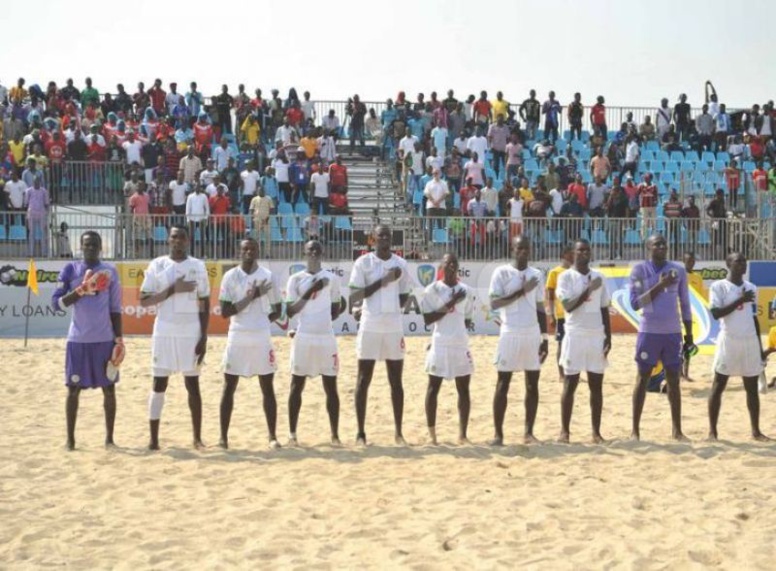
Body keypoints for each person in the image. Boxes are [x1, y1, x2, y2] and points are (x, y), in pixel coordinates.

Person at [140, 226, 210, 450]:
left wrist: (204, 337)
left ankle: (197, 438)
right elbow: (144, 300)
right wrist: (172, 290)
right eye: (174, 237)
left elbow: (205, 302)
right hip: (164, 331)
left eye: (181, 237)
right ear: (168, 240)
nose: (177, 241)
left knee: (193, 385)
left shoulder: (198, 266)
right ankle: (153, 439)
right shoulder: (157, 265)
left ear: (188, 240)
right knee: (159, 383)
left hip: (191, 332)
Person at [51, 232, 123, 450]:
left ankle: (109, 439)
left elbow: (115, 309)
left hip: (104, 340)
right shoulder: (70, 269)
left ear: (101, 247)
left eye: (94, 244)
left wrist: (119, 339)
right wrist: (82, 290)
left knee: (109, 390)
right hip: (78, 341)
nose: (90, 247)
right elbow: (57, 304)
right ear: (80, 247)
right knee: (73, 390)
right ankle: (70, 441)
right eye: (86, 244)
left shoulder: (110, 271)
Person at [349, 225, 414, 446]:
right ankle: (360, 433)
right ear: (372, 239)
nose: (384, 239)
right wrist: (383, 281)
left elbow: (404, 296)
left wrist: (392, 311)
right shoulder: (363, 263)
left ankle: (398, 432)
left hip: (393, 326)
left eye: (387, 236)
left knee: (396, 380)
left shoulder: (401, 264)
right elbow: (355, 294)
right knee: (363, 379)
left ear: (391, 239)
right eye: (380, 236)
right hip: (369, 324)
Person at [218, 238, 282, 449]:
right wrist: (252, 297)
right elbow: (225, 312)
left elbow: (277, 310)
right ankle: (223, 438)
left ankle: (272, 436)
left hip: (261, 336)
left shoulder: (268, 276)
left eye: (253, 248)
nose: (249, 252)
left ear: (258, 251)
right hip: (237, 334)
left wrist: (261, 321)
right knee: (229, 387)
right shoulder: (230, 276)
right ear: (240, 251)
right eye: (245, 248)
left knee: (267, 386)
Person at [629, 235, 693, 441]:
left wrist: (689, 334)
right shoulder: (639, 270)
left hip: (672, 333)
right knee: (642, 378)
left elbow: (685, 303)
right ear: (648, 247)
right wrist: (661, 284)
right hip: (649, 332)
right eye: (657, 244)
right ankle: (635, 431)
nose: (662, 246)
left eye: (664, 243)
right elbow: (636, 303)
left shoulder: (679, 270)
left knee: (674, 380)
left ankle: (677, 430)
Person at [489, 235, 549, 445]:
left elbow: (541, 307)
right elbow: (495, 303)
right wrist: (521, 291)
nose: (522, 251)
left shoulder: (537, 275)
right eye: (518, 248)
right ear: (511, 249)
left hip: (532, 334)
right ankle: (498, 434)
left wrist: (545, 337)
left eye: (526, 248)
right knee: (503, 383)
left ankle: (528, 432)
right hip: (509, 333)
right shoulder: (501, 272)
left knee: (532, 384)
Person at [285, 240, 346, 446]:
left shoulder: (332, 279)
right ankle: (292, 434)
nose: (314, 253)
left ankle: (335, 435)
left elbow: (336, 311)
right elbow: (291, 310)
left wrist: (324, 316)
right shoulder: (295, 279)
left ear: (322, 253)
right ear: (304, 252)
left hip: (326, 338)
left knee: (330, 386)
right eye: (310, 249)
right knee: (296, 385)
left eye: (317, 250)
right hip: (303, 336)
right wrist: (311, 290)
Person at [707, 253, 769, 442]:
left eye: (744, 261)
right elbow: (716, 314)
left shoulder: (751, 287)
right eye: (738, 261)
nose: (742, 264)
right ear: (728, 264)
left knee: (751, 387)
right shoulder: (718, 287)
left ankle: (756, 431)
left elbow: (753, 318)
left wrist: (759, 347)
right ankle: (712, 432)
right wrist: (739, 301)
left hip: (749, 340)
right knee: (718, 385)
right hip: (729, 340)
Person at [556, 239, 611, 443]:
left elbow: (604, 307)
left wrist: (609, 337)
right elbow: (568, 306)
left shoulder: (599, 277)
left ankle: (596, 432)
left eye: (587, 250)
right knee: (570, 384)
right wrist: (588, 290)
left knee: (596, 386)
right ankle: (565, 431)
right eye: (580, 250)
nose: (584, 253)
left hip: (596, 335)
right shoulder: (566, 277)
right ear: (573, 253)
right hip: (575, 335)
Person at [421, 252, 476, 445]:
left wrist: (458, 331)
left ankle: (462, 434)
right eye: (447, 263)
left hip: (460, 345)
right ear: (442, 267)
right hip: (440, 344)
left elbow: (468, 319)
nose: (451, 266)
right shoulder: (432, 290)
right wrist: (451, 303)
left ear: (458, 266)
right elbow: (428, 319)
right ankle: (432, 435)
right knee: (433, 389)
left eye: (454, 263)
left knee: (464, 391)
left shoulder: (467, 290)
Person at [545, 244, 574, 382]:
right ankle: (561, 374)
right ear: (563, 256)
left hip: (574, 315)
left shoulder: (576, 273)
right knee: (561, 344)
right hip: (561, 315)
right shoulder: (554, 272)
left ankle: (571, 372)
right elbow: (550, 296)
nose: (573, 256)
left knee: (573, 345)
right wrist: (551, 315)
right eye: (570, 253)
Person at [682, 252, 704, 381]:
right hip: (680, 315)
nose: (691, 263)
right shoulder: (679, 275)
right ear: (683, 261)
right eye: (688, 260)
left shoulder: (697, 278)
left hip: (693, 317)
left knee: (689, 344)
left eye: (692, 261)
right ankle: (679, 372)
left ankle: (686, 373)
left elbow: (700, 299)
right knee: (679, 345)